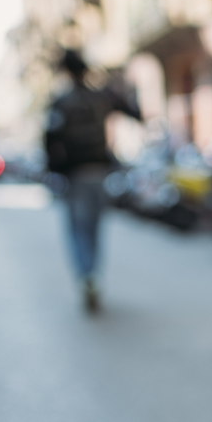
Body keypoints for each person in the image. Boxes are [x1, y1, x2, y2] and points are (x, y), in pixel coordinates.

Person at [45, 49, 141, 311]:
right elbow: (134, 111)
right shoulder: (101, 97)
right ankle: (93, 276)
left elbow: (50, 140)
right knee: (94, 229)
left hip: (75, 176)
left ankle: (86, 275)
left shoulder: (61, 102)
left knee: (78, 230)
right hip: (99, 172)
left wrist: (55, 170)